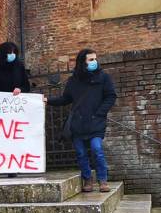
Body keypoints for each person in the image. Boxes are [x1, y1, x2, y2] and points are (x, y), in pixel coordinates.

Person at [47, 48, 117, 193]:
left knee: (97, 149)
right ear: (83, 62)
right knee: (80, 153)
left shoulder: (103, 77)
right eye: (91, 59)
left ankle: (103, 180)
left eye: (95, 59)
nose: (95, 62)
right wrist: (48, 100)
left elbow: (111, 96)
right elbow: (65, 99)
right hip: (78, 123)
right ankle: (87, 180)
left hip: (95, 121)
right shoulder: (73, 81)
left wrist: (99, 113)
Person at [0, 41, 31, 179]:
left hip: (13, 110)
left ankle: (11, 167)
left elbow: (26, 86)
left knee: (11, 138)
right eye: (9, 52)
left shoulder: (19, 67)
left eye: (14, 52)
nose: (12, 55)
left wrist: (20, 89)